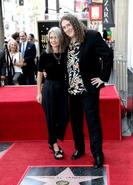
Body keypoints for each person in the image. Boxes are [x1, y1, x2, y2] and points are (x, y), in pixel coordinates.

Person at [60, 14, 113, 168]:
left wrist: (103, 77)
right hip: (72, 90)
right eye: (64, 27)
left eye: (69, 25)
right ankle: (79, 149)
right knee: (76, 122)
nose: (67, 29)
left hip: (88, 89)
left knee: (93, 122)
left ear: (75, 23)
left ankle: (97, 154)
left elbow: (108, 54)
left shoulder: (91, 36)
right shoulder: (67, 42)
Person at [36, 27, 68, 160]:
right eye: (51, 37)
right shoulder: (44, 55)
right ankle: (54, 145)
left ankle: (53, 138)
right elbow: (39, 75)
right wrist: (39, 92)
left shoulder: (66, 53)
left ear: (60, 37)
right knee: (50, 118)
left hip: (63, 88)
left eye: (55, 37)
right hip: (49, 88)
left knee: (65, 116)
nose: (53, 40)